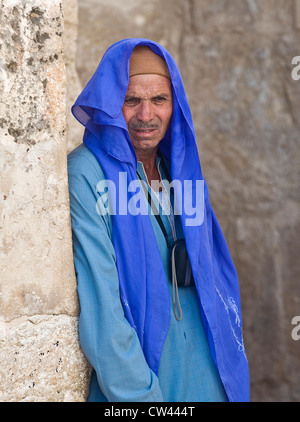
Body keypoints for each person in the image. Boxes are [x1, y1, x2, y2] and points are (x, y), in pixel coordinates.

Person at [67, 39, 250, 402]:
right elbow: (104, 316)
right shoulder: (87, 173)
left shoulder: (180, 172)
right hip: (144, 385)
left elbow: (215, 284)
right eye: (131, 100)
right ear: (109, 104)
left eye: (159, 100)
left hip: (209, 375)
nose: (146, 115)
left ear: (175, 104)